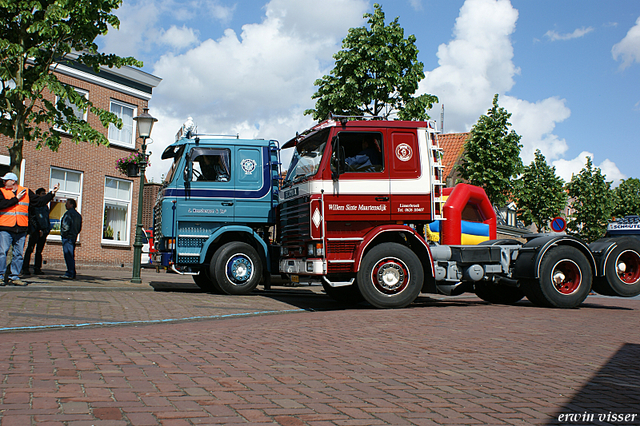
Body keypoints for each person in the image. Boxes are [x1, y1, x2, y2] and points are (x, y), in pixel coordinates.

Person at [0, 173, 58, 285]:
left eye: (5, 180)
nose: (3, 182)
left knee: (18, 254)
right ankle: (0, 276)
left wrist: (52, 193)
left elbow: (39, 201)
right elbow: (1, 204)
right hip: (5, 227)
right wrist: (16, 199)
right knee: (2, 252)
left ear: (13, 181)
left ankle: (14, 277)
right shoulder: (1, 191)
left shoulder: (26, 192)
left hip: (21, 228)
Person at [22, 188, 52, 276]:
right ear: (38, 195)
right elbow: (33, 218)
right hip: (35, 231)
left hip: (44, 231)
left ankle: (37, 268)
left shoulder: (45, 206)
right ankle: (25, 268)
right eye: (43, 194)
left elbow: (46, 218)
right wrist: (38, 229)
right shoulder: (33, 205)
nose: (44, 195)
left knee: (39, 251)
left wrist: (46, 229)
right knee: (30, 249)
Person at [60, 198, 82, 279]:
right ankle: (72, 271)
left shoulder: (68, 214)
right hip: (73, 237)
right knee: (71, 255)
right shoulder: (78, 215)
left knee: (68, 255)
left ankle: (70, 272)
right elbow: (79, 228)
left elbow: (65, 226)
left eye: (67, 203)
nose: (66, 205)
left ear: (71, 205)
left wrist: (63, 234)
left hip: (67, 237)